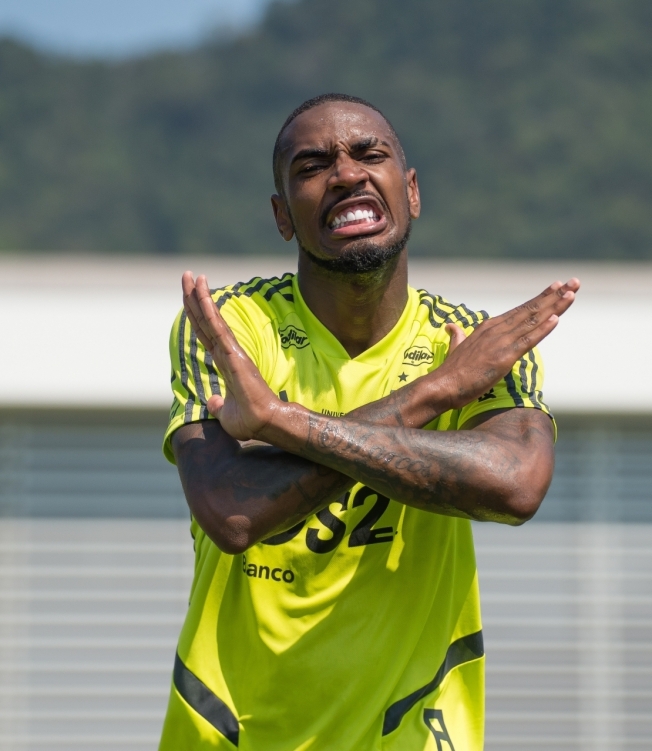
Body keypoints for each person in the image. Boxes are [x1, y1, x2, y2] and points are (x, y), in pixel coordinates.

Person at [159, 93, 579, 751]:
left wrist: (278, 423)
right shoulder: (231, 327)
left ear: (411, 192)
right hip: (232, 731)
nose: (346, 174)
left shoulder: (472, 340)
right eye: (312, 166)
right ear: (282, 215)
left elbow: (517, 484)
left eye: (368, 154)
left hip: (413, 728)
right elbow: (232, 512)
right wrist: (438, 392)